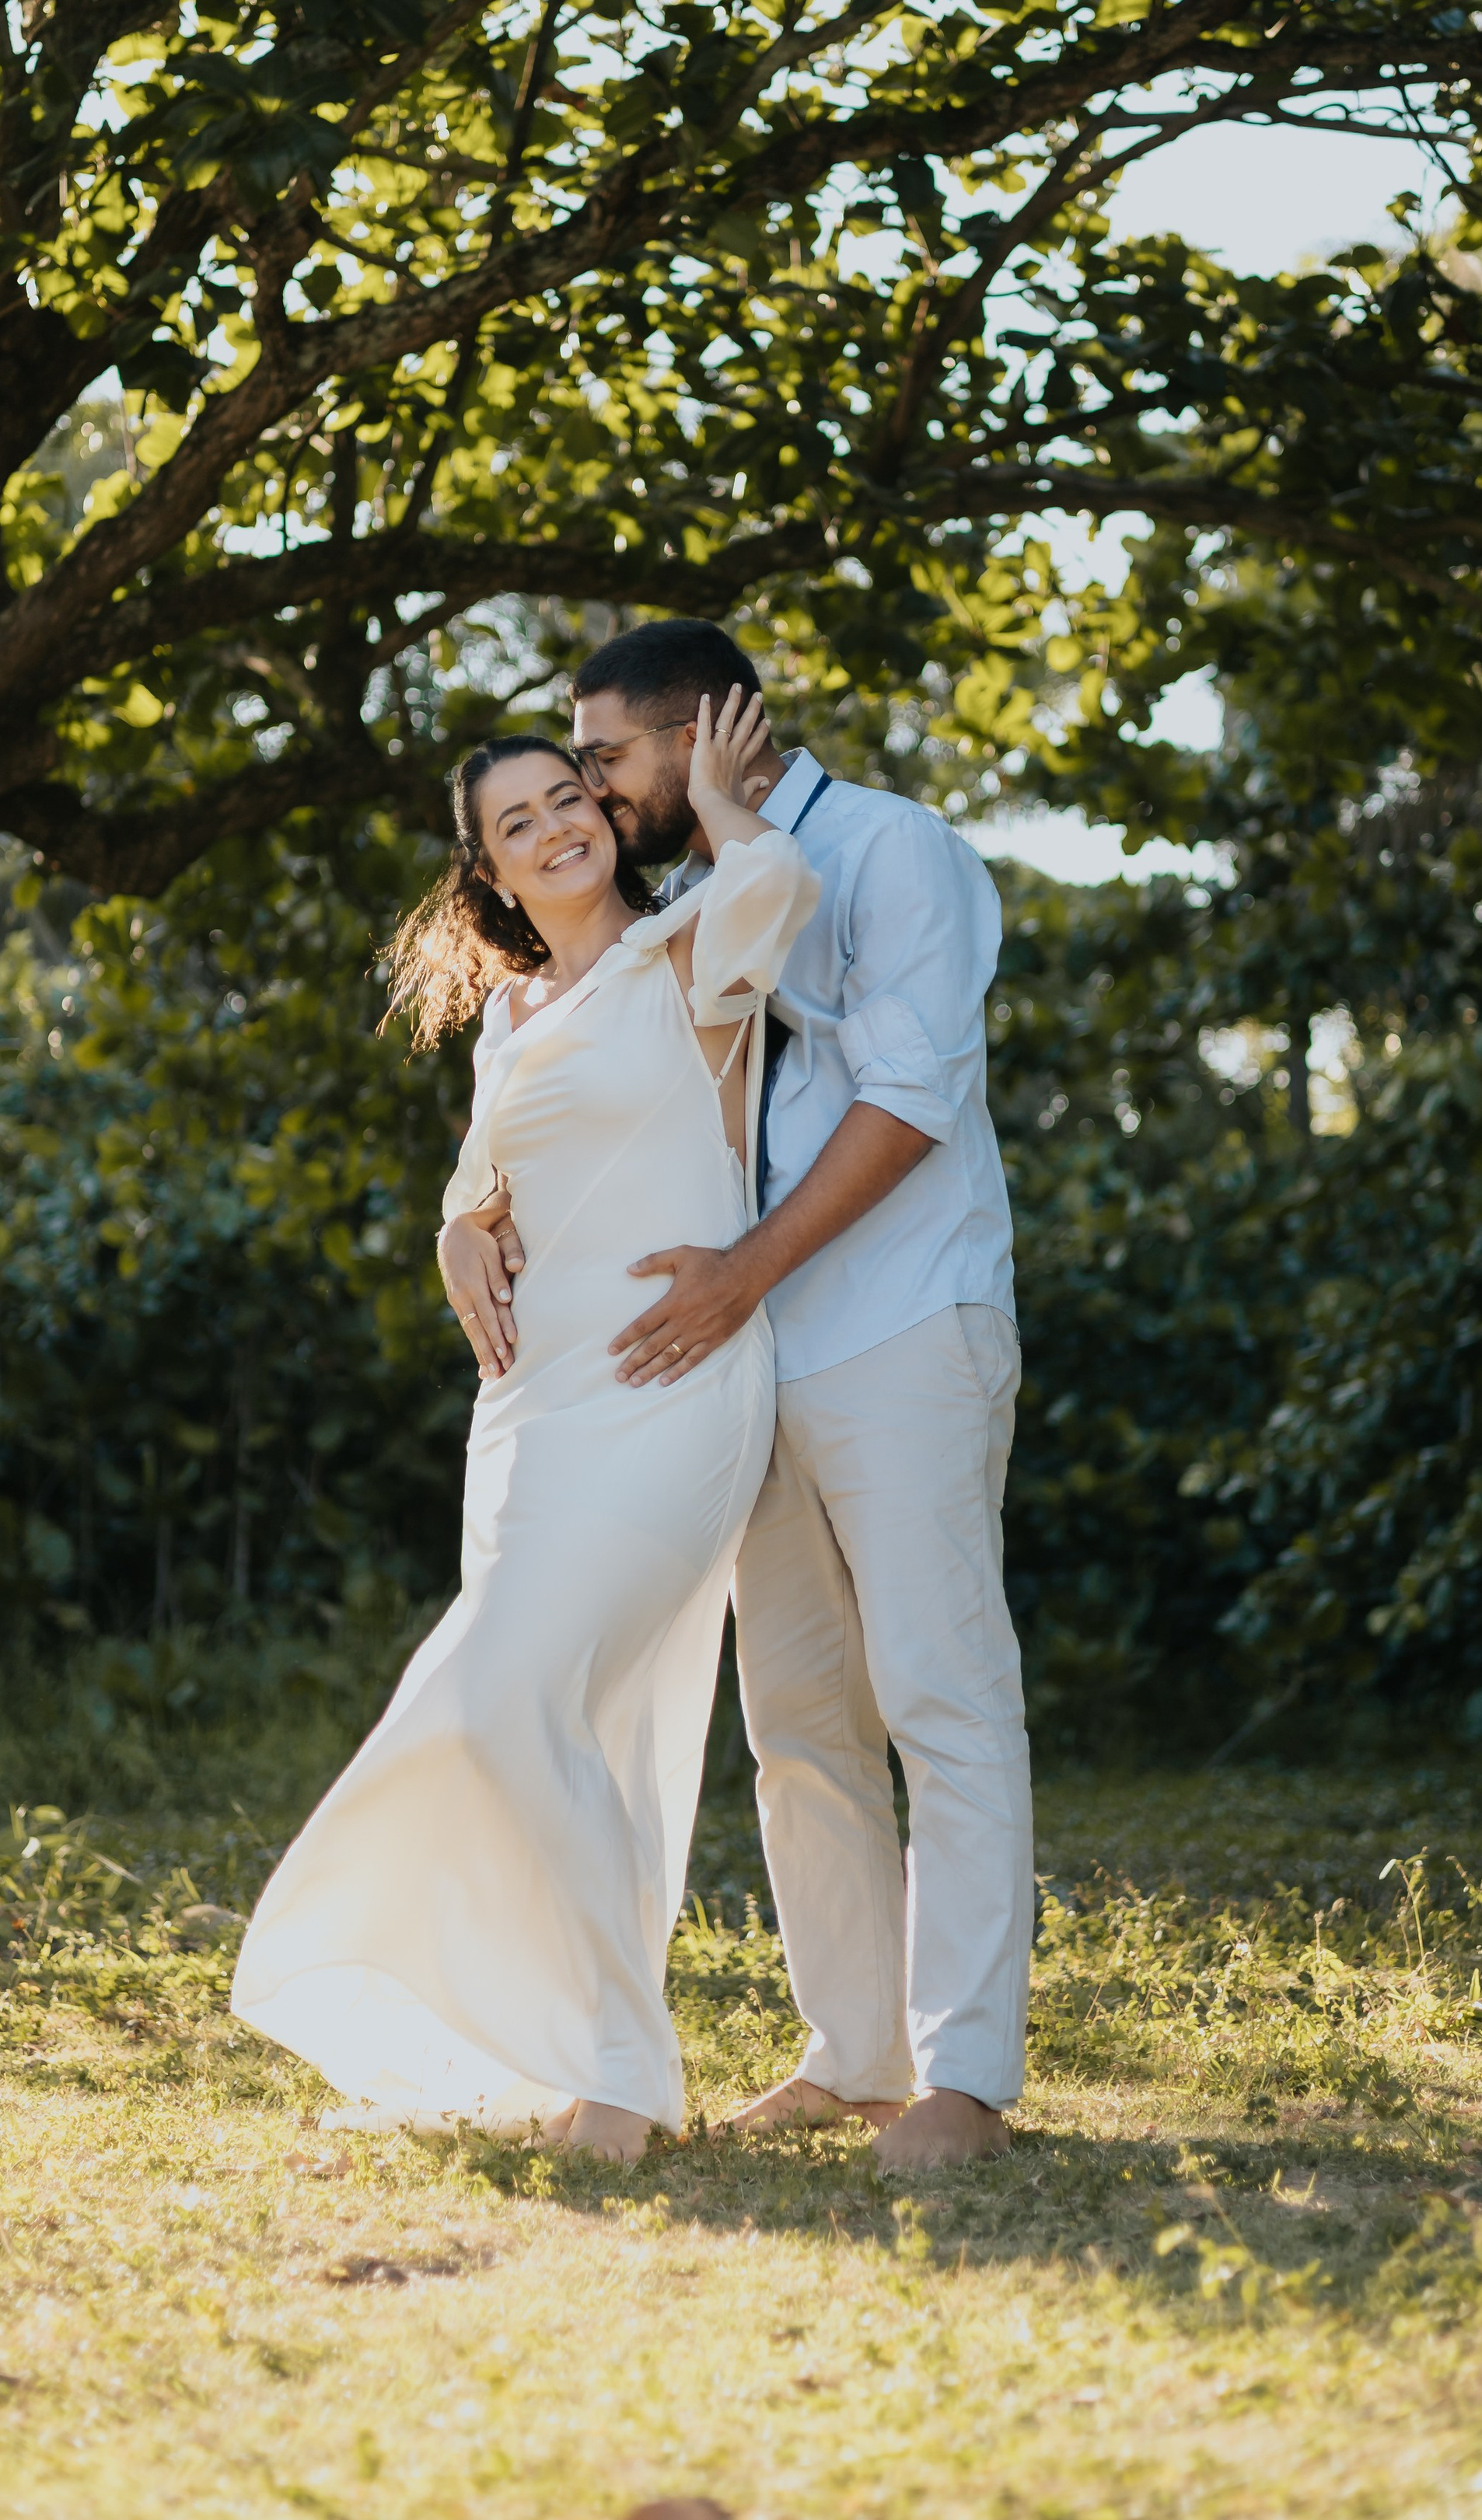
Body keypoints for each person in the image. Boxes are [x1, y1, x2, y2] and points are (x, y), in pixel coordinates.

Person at [452, 620, 1031, 2173]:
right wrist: (478, 1212)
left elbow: (913, 1097)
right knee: (795, 1721)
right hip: (747, 1361)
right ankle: (854, 2053)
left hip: (903, 1324)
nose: (591, 786)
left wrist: (741, 1268)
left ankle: (965, 2075)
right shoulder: (703, 894)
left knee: (937, 1690)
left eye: (609, 756)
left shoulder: (898, 852)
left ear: (711, 728)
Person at [231, 693, 816, 2162]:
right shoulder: (507, 1013)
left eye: (572, 797)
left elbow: (780, 891)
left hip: (673, 1384)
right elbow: (489, 1177)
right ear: (487, 870)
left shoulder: (685, 953)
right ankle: (569, 2049)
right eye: (518, 821)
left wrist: (730, 812)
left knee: (503, 1698)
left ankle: (624, 2073)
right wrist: (450, 1232)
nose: (556, 824)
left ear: (608, 816)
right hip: (532, 1413)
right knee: (567, 1726)